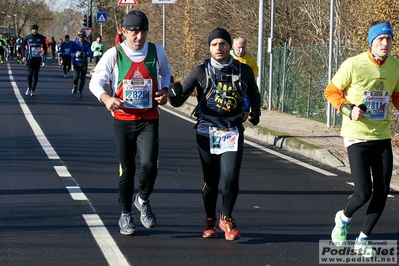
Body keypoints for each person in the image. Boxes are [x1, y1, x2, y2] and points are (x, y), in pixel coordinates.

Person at [167, 28, 261, 241]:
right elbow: (179, 99)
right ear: (209, 48)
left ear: (230, 46)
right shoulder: (200, 71)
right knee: (211, 180)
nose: (219, 48)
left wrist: (255, 111)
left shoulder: (243, 70)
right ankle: (210, 218)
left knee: (231, 178)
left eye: (223, 44)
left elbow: (254, 92)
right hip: (206, 131)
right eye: (214, 44)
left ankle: (226, 218)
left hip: (233, 130)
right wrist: (173, 92)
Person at [89, 10, 171, 235]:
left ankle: (142, 200)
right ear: (123, 32)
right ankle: (125, 213)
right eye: (134, 32)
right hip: (123, 120)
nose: (139, 37)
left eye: (143, 32)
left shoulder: (157, 52)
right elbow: (95, 82)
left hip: (149, 119)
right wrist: (106, 98)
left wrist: (164, 91)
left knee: (149, 165)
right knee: (127, 169)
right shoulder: (113, 55)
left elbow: (166, 73)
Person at [324, 20, 399, 258]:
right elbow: (331, 91)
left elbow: (396, 94)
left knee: (382, 190)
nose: (385, 43)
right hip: (357, 136)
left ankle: (363, 239)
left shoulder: (396, 66)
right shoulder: (353, 64)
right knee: (363, 192)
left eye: (389, 39)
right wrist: (349, 109)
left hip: (382, 135)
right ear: (371, 42)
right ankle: (343, 218)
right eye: (380, 39)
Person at [21, 24, 46, 96]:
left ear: (37, 30)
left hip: (37, 59)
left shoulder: (41, 37)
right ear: (31, 30)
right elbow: (22, 46)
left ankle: (33, 89)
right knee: (30, 73)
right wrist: (23, 56)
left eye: (36, 29)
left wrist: (43, 52)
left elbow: (44, 46)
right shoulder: (28, 38)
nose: (34, 31)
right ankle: (29, 87)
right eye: (33, 29)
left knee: (35, 75)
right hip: (30, 58)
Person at [70, 30, 92, 98]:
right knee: (76, 77)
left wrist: (84, 54)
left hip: (84, 63)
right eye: (80, 37)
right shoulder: (73, 43)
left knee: (83, 78)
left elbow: (90, 53)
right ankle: (75, 85)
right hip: (76, 63)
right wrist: (75, 54)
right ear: (78, 37)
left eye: (83, 37)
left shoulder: (87, 43)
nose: (81, 38)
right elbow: (70, 52)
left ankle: (80, 91)